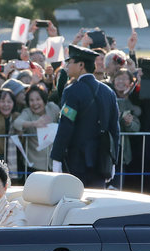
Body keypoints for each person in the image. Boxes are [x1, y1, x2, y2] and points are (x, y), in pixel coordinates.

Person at [50, 45, 120, 188]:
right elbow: (115, 129)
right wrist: (113, 160)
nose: (67, 66)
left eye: (70, 62)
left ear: (81, 65)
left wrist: (56, 157)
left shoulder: (72, 91)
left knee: (76, 202)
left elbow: (66, 125)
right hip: (102, 159)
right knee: (97, 204)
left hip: (77, 160)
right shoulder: (108, 91)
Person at [12, 85, 61, 173]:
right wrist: (34, 124)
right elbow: (17, 123)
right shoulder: (27, 112)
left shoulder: (52, 108)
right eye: (31, 100)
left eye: (38, 99)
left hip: (53, 162)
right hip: (34, 164)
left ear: (44, 100)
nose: (35, 103)